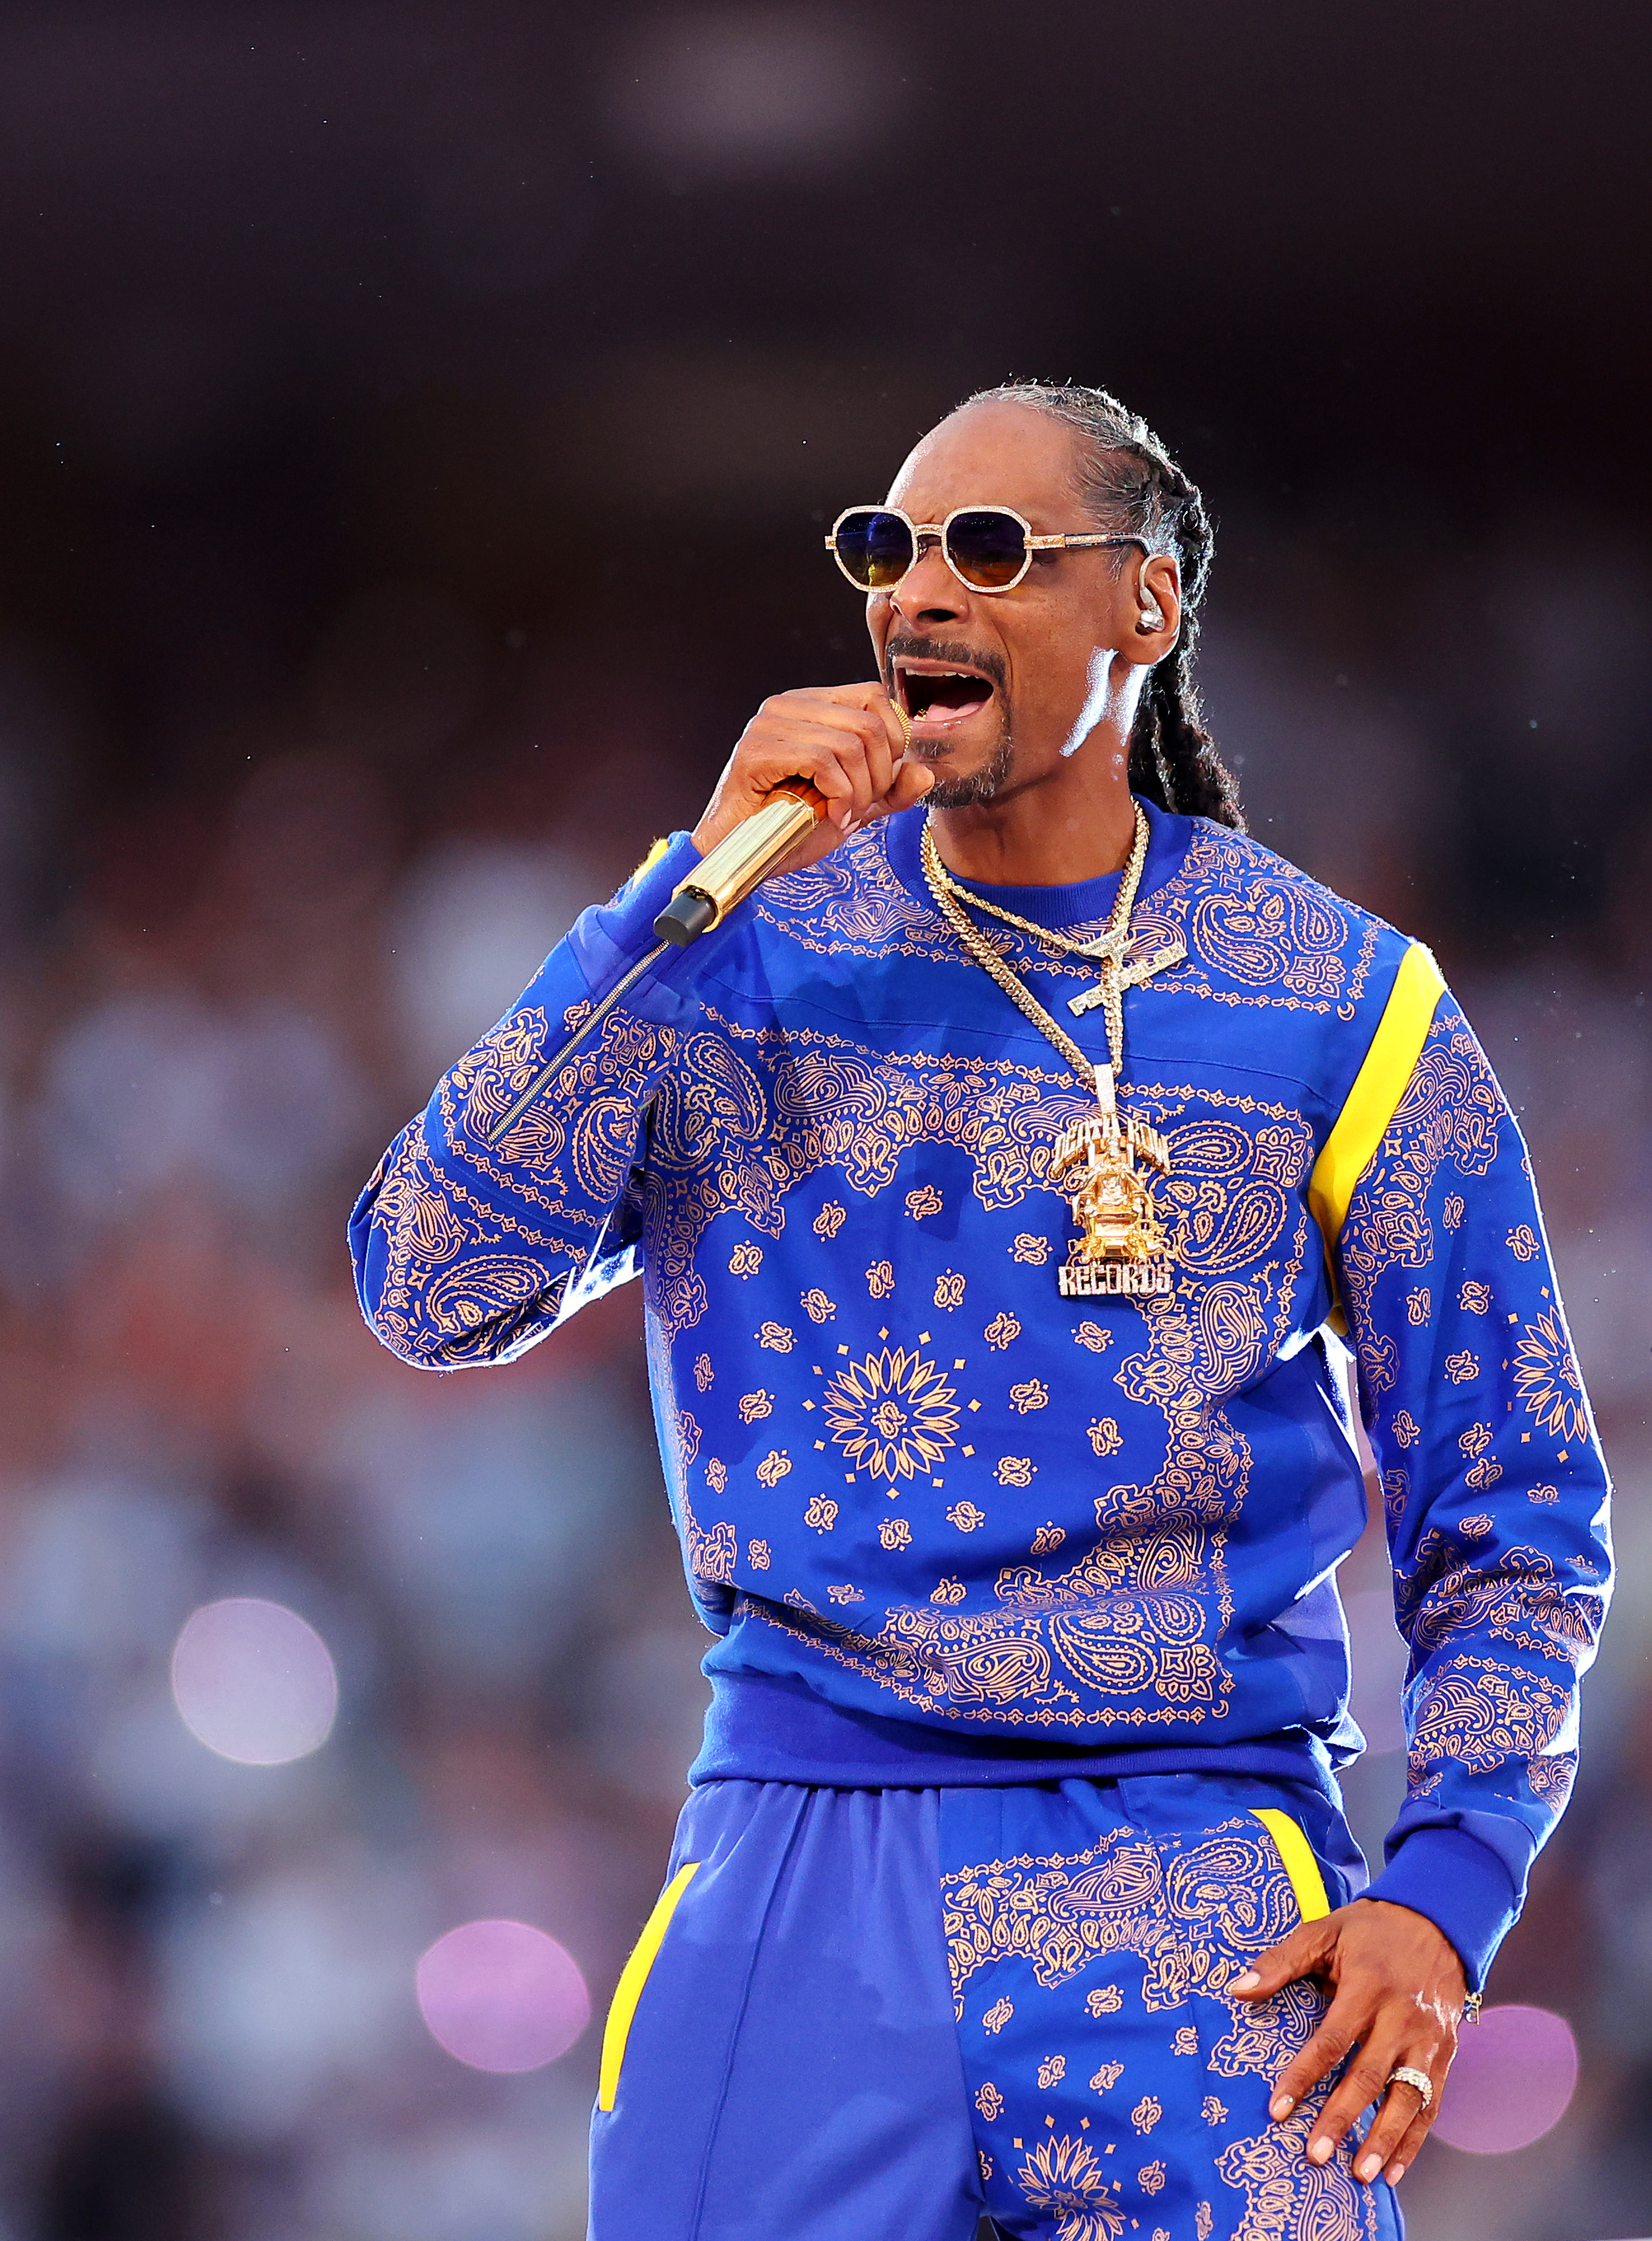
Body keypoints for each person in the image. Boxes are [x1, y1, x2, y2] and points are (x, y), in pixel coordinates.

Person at [350, 383, 1611, 2241]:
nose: (919, 593)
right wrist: (663, 909)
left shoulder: (1345, 1003)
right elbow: (425, 1284)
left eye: (993, 550)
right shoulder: (737, 955)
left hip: (1194, 1887)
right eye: (890, 547)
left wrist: (1447, 1884)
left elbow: (1513, 1511)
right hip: (798, 1866)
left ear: (1148, 609)